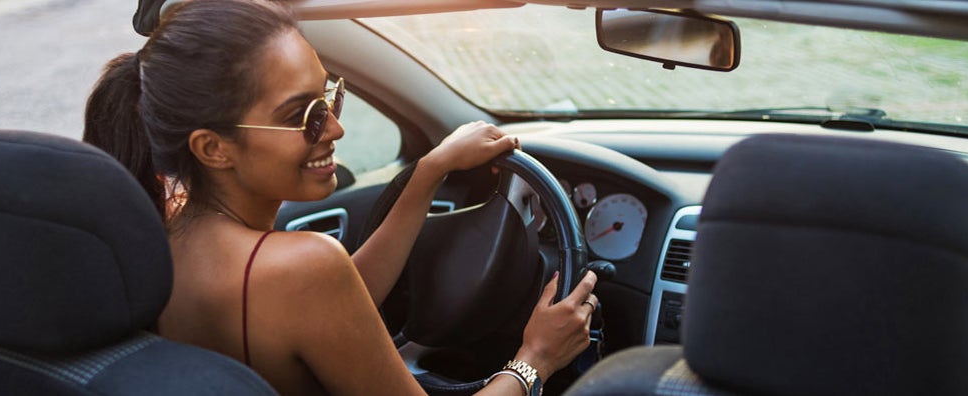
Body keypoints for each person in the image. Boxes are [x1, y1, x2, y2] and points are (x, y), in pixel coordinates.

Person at [83, 1, 599, 395]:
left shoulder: (162, 231)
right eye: (302, 118)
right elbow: (321, 289)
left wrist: (430, 171)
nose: (335, 127)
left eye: (329, 96)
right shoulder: (298, 269)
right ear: (213, 148)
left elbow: (336, 303)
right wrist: (536, 358)